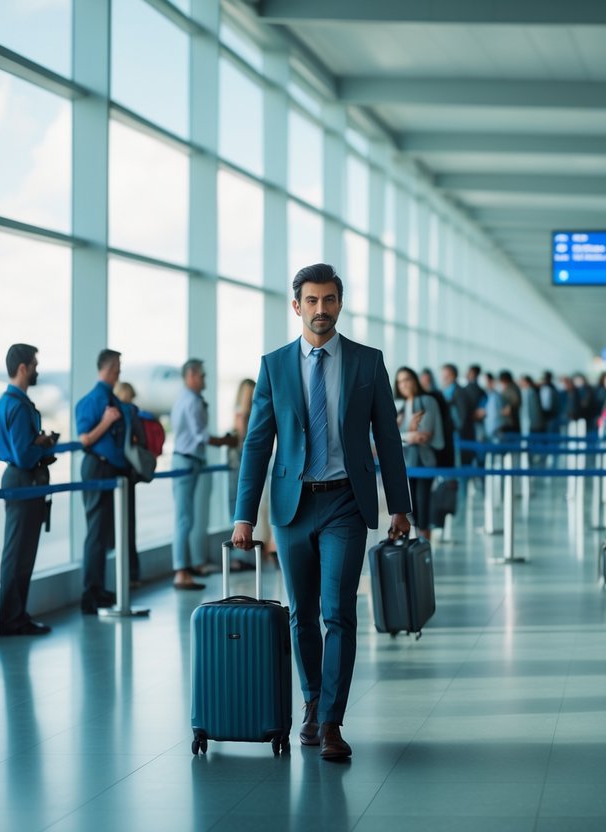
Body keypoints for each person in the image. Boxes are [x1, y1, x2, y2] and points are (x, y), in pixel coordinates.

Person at [232, 263, 412, 762]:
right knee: (302, 615)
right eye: (311, 301)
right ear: (297, 306)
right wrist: (245, 515)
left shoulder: (366, 363)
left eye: (329, 300)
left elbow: (389, 441)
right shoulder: (275, 366)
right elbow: (256, 444)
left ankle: (331, 720)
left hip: (344, 503)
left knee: (339, 613)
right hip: (292, 506)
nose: (320, 310)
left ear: (339, 304)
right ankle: (311, 702)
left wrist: (400, 505)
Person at [0, 343, 57, 636]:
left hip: (20, 480)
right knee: (19, 553)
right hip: (24, 479)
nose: (37, 370)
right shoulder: (18, 406)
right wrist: (41, 445)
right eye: (34, 364)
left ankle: (16, 615)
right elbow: (22, 454)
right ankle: (12, 618)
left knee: (19, 551)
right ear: (23, 368)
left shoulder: (7, 403)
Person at [171, 359, 239, 590]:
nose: (204, 380)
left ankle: (189, 565)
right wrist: (226, 441)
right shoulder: (191, 402)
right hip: (186, 460)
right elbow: (201, 436)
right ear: (191, 375)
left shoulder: (186, 399)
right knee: (184, 518)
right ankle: (180, 571)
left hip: (191, 460)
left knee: (188, 517)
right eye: (202, 376)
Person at [75, 349, 127, 614]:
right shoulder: (92, 401)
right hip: (97, 469)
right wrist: (106, 422)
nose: (120, 371)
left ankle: (99, 587)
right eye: (117, 365)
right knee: (96, 532)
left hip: (111, 471)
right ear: (108, 368)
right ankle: (90, 593)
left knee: (104, 531)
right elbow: (84, 439)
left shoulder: (112, 398)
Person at [232, 378, 277, 565]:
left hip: (252, 462)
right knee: (260, 505)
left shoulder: (245, 412)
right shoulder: (244, 414)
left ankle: (266, 548)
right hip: (247, 462)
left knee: (262, 505)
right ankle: (265, 549)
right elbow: (247, 441)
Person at [394, 367, 443, 540]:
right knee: (408, 510)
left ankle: (423, 549)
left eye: (407, 379)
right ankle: (412, 548)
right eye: (400, 381)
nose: (404, 384)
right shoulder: (398, 405)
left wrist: (401, 433)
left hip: (423, 462)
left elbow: (423, 436)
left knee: (422, 507)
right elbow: (387, 436)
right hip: (403, 464)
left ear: (415, 380)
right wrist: (409, 433)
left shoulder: (427, 401)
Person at [111, 381, 144, 586]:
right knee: (128, 526)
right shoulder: (131, 412)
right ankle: (131, 574)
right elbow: (139, 439)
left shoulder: (115, 411)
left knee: (115, 528)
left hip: (114, 474)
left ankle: (121, 576)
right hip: (128, 473)